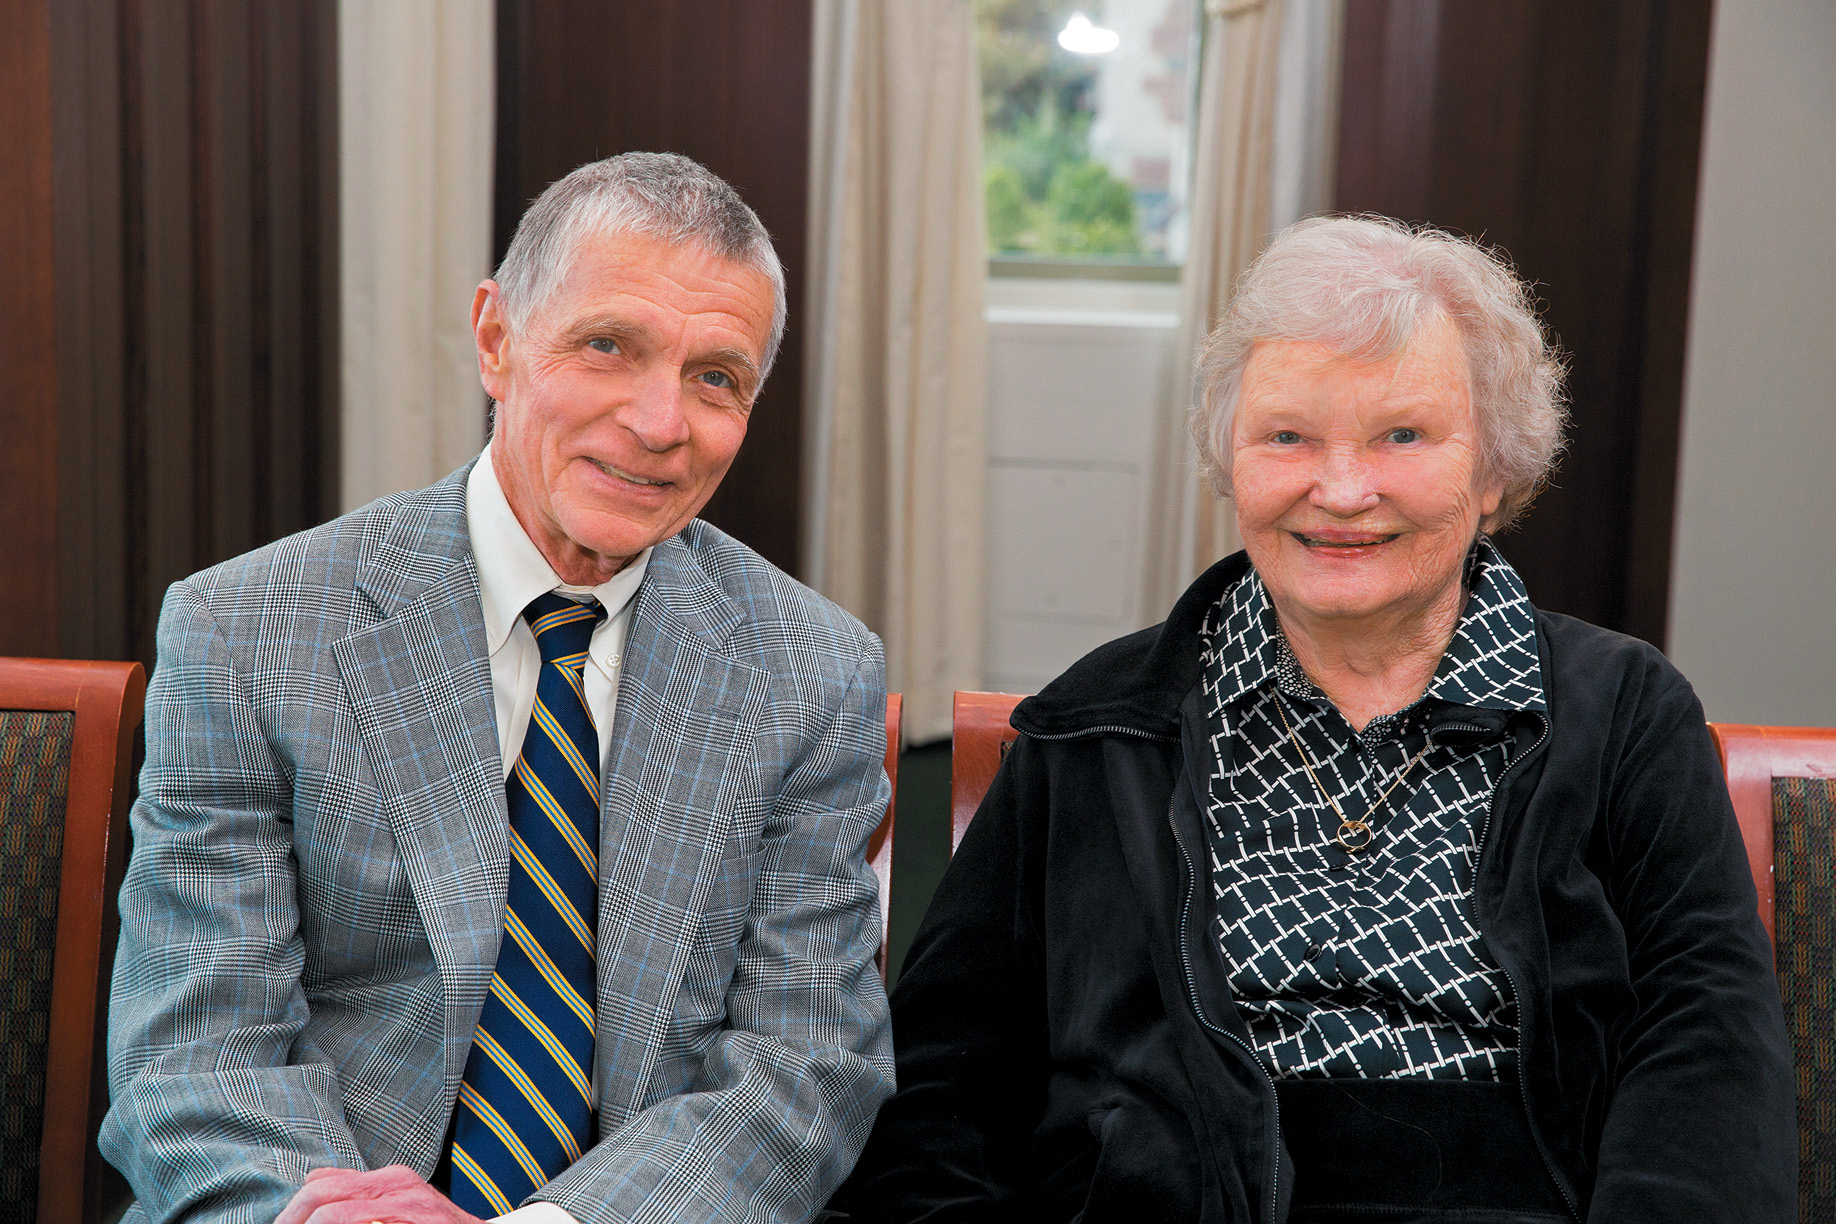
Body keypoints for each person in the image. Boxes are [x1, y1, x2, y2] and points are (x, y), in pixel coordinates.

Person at [838, 216, 1794, 1222]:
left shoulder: (1625, 715)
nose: (1341, 490)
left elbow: (1707, 1051)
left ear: (1496, 472)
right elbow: (939, 1090)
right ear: (1230, 460)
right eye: (1288, 436)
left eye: (1404, 435)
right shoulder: (1100, 728)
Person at [102, 152, 894, 1224]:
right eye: (608, 346)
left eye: (716, 377)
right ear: (496, 337)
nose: (661, 423)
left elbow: (803, 1068)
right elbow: (197, 1048)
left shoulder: (813, 672)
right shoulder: (248, 631)